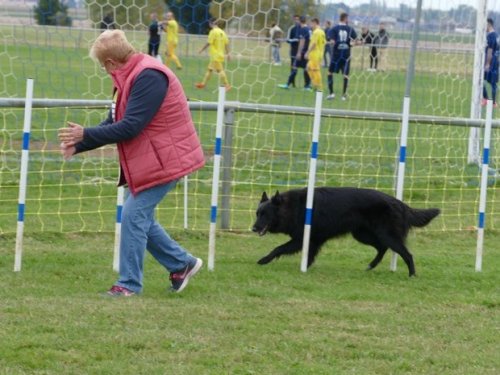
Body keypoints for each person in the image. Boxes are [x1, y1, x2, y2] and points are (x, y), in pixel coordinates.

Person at [58, 30, 205, 296]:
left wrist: (85, 134)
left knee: (133, 215)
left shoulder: (149, 76)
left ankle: (128, 285)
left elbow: (131, 127)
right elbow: (114, 122)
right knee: (139, 218)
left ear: (111, 62)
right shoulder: (129, 77)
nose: (105, 71)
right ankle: (182, 263)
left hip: (166, 160)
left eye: (103, 66)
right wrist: (79, 144)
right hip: (148, 160)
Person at [326, 12, 358, 101]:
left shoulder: (334, 29)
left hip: (336, 55)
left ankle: (331, 93)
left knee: (330, 73)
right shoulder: (350, 29)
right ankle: (343, 95)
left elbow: (332, 41)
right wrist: (352, 44)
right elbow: (356, 41)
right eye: (348, 18)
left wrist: (331, 42)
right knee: (346, 75)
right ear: (345, 18)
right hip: (346, 55)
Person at [195, 18, 231, 91]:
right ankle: (203, 84)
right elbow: (226, 44)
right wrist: (228, 54)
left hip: (215, 55)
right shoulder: (222, 32)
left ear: (211, 23)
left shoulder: (213, 32)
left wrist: (201, 50)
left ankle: (227, 85)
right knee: (210, 70)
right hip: (220, 55)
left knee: (220, 70)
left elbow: (209, 43)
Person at [278, 15, 311, 90]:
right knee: (306, 69)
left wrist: (299, 53)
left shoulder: (303, 29)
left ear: (300, 21)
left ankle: (287, 84)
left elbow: (302, 42)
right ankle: (307, 86)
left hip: (302, 52)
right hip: (306, 52)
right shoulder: (309, 29)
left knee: (295, 68)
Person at [305, 18, 326, 92]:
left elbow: (314, 43)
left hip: (315, 54)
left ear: (315, 23)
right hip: (319, 54)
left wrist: (307, 52)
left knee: (315, 70)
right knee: (308, 68)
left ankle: (319, 87)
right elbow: (324, 43)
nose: (311, 25)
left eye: (311, 23)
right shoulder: (322, 32)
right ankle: (315, 85)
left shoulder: (316, 32)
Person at [483, 17, 499, 107]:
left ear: (488, 24)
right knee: (494, 83)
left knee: (481, 80)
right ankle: (493, 102)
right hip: (496, 61)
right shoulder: (497, 35)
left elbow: (489, 50)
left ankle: (485, 99)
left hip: (491, 62)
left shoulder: (490, 36)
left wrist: (487, 64)